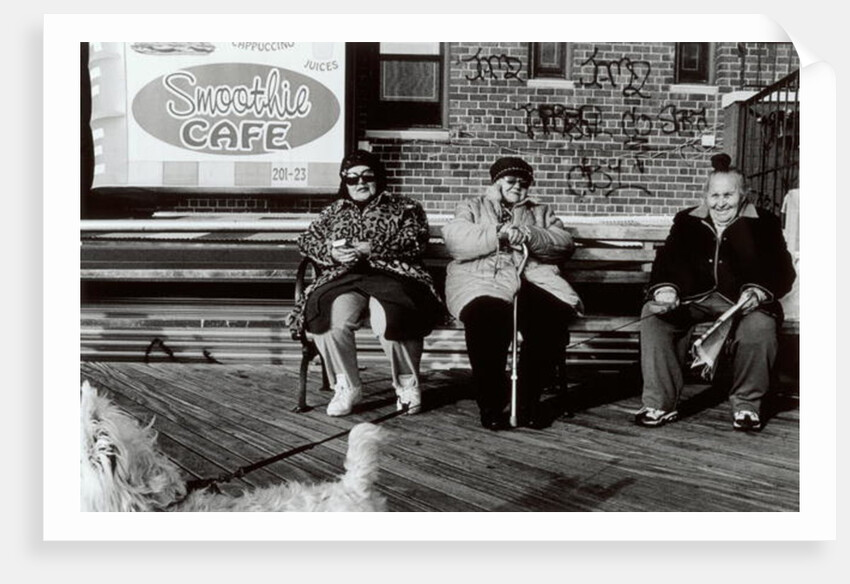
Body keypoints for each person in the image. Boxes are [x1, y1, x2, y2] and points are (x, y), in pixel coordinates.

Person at [635, 153, 796, 431]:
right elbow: (668, 259)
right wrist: (666, 289)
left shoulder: (764, 222)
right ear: (706, 196)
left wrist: (758, 291)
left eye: (728, 195)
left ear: (742, 195)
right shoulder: (687, 220)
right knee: (654, 315)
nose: (720, 203)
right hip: (694, 299)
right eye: (714, 195)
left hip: (741, 303)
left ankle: (747, 406)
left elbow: (782, 268)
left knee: (759, 327)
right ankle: (660, 403)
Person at [287, 150, 443, 417]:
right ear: (344, 182)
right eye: (352, 178)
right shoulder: (333, 211)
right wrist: (331, 253)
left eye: (367, 176)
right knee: (327, 316)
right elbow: (306, 241)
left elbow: (417, 239)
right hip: (343, 277)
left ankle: (407, 385)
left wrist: (374, 247)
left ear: (378, 178)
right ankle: (346, 386)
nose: (360, 183)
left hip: (394, 274)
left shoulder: (404, 206)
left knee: (393, 318)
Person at [442, 157, 583, 430]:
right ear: (496, 182)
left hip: (532, 277)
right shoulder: (471, 207)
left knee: (551, 317)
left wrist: (529, 233)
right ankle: (491, 403)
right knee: (486, 316)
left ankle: (527, 401)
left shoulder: (541, 211)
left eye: (524, 182)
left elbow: (564, 243)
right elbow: (456, 239)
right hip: (482, 277)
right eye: (511, 181)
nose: (518, 186)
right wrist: (499, 233)